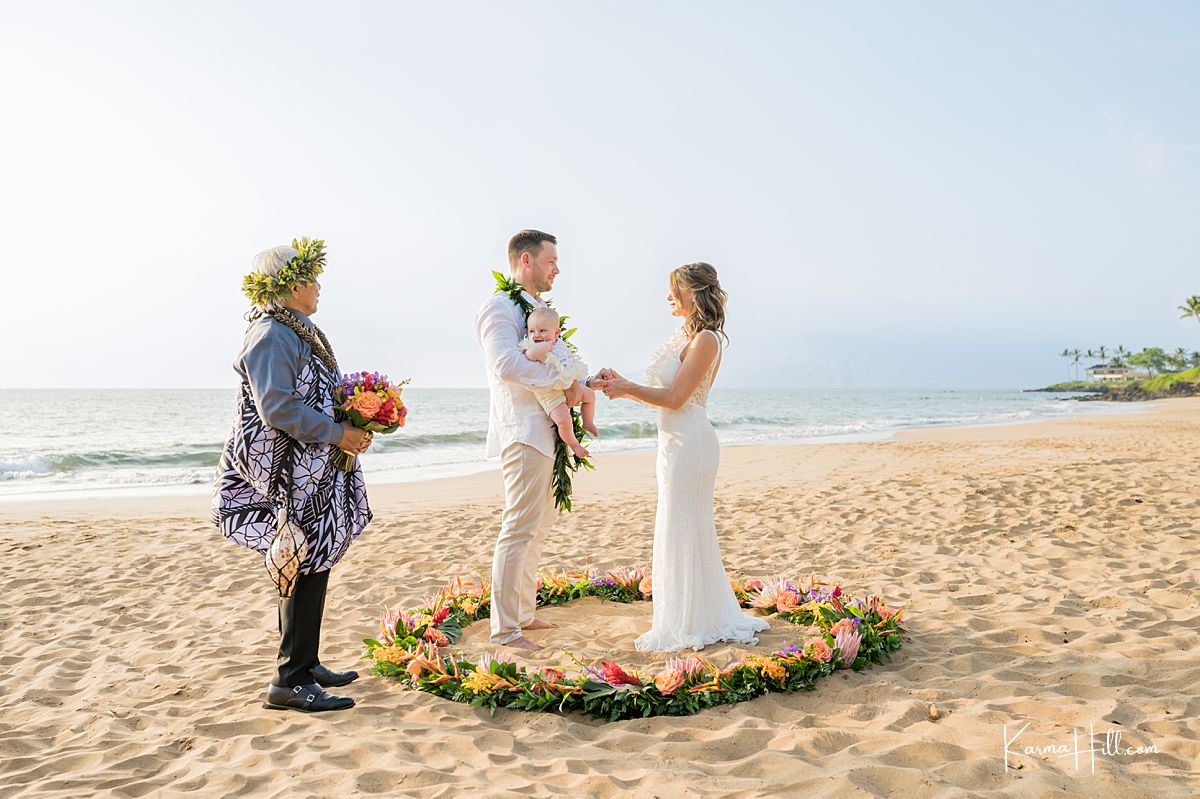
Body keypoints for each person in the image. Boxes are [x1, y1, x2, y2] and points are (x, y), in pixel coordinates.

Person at [212, 238, 373, 711]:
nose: (320, 286)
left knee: (310, 562)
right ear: (292, 283)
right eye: (313, 278)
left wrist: (356, 418)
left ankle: (306, 662)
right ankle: (289, 679)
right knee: (297, 563)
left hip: (311, 467)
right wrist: (337, 433)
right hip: (284, 473)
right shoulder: (271, 334)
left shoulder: (295, 331)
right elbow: (277, 408)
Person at [595, 262, 769, 652]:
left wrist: (626, 388)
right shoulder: (686, 337)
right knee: (680, 525)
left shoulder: (706, 339)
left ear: (692, 293)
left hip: (691, 443)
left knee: (685, 525)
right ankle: (691, 612)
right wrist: (623, 384)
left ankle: (691, 619)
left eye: (673, 290)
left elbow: (676, 399)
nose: (668, 298)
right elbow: (666, 398)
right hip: (674, 442)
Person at [476, 229, 587, 651]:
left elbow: (553, 356)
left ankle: (522, 613)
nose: (557, 269)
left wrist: (578, 383)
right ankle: (505, 631)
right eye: (550, 261)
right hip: (521, 430)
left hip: (545, 431)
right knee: (518, 528)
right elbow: (505, 365)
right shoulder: (499, 307)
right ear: (526, 260)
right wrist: (563, 383)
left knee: (538, 527)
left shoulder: (539, 309)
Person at [520, 306, 597, 459]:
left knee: (590, 396)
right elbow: (529, 355)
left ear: (556, 333)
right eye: (531, 331)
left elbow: (569, 364)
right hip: (549, 393)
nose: (536, 335)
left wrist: (578, 380)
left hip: (568, 384)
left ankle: (588, 422)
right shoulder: (533, 346)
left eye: (542, 331)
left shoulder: (560, 346)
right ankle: (574, 445)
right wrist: (544, 347)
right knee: (564, 420)